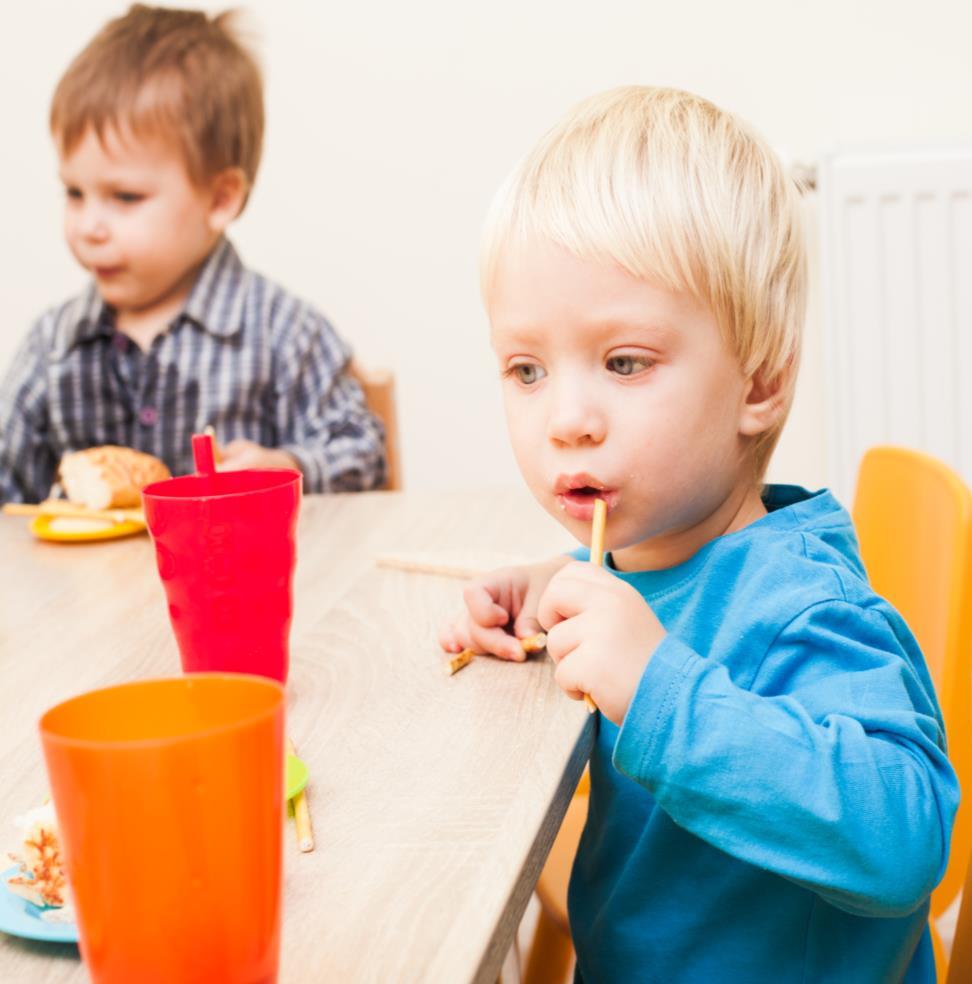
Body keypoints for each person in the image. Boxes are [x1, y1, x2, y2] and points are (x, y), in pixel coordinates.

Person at [439, 86, 958, 982]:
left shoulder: (803, 608)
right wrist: (547, 584)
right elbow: (660, 594)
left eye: (624, 362)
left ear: (758, 383)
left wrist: (657, 691)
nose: (566, 417)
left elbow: (907, 836)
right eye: (526, 369)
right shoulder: (651, 548)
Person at [0, 4, 385, 503]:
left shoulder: (282, 333)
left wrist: (286, 466)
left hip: (240, 580)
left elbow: (365, 455)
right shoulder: (53, 346)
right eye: (74, 193)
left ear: (220, 199)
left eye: (125, 197)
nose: (88, 226)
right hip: (91, 584)